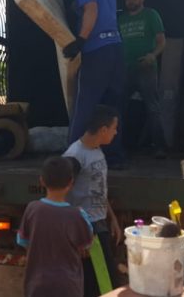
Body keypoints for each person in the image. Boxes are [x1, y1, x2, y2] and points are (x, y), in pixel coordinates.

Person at [63, 0, 128, 169]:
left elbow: (92, 9)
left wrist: (80, 40)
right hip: (116, 49)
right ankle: (114, 157)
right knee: (111, 107)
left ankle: (71, 162)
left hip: (97, 50)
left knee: (85, 105)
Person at [63, 104, 121, 297]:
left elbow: (98, 189)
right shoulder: (75, 156)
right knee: (98, 285)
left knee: (104, 283)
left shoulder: (96, 150)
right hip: (88, 231)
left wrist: (111, 218)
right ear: (103, 130)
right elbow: (61, 198)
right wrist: (79, 237)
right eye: (114, 128)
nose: (116, 132)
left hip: (99, 224)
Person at [17, 156, 93, 297]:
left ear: (42, 181)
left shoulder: (32, 209)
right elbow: (86, 245)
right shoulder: (78, 215)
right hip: (68, 287)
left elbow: (23, 241)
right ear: (71, 182)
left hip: (36, 285)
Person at [118, 0, 168, 158]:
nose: (131, 1)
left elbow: (161, 42)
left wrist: (152, 56)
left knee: (152, 108)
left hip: (145, 67)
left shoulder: (150, 14)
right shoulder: (121, 19)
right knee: (118, 108)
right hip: (125, 68)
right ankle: (117, 146)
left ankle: (160, 147)